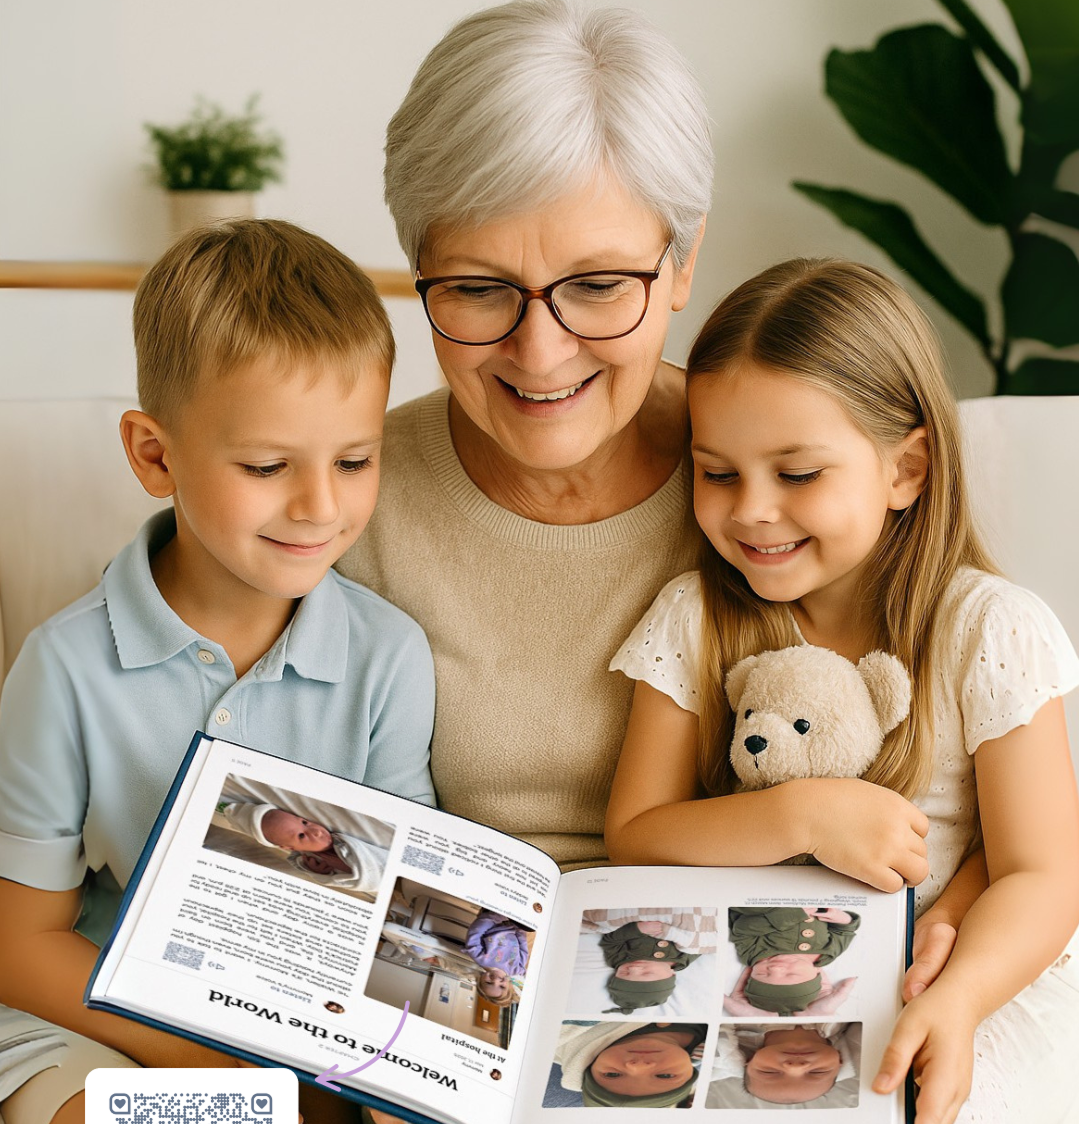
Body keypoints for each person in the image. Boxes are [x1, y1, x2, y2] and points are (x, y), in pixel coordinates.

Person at [605, 259, 1079, 1124]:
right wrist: (800, 817)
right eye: (716, 473)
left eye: (795, 475)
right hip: (759, 989)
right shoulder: (694, 616)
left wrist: (960, 997)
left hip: (962, 982)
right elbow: (635, 832)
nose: (749, 511)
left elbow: (1043, 872)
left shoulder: (987, 630)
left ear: (906, 470)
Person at [0, 219, 436, 1124]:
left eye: (354, 461)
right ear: (155, 455)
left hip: (312, 1038)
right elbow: (21, 944)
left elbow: (402, 909)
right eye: (269, 466)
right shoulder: (64, 666)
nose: (320, 505)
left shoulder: (387, 656)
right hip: (98, 1022)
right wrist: (227, 1073)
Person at [218, 802, 391, 893]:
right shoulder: (305, 860)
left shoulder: (342, 844)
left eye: (305, 822)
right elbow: (341, 879)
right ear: (288, 847)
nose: (315, 832)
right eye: (301, 836)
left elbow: (367, 861)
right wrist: (319, 872)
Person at [725, 906, 859, 1016]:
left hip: (761, 904)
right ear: (816, 972)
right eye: (791, 975)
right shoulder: (826, 955)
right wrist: (843, 919)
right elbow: (845, 931)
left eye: (763, 975)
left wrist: (789, 916)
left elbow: (741, 928)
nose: (776, 969)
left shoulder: (752, 953)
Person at [548, 1021, 707, 1108]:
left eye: (613, 1075)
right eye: (664, 1076)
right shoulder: (712, 1045)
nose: (637, 1066)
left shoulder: (566, 1032)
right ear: (691, 1074)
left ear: (591, 1065)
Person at [707, 1024, 860, 1109]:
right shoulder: (840, 1028)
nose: (795, 1067)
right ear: (840, 1060)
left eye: (770, 1071)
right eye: (816, 1072)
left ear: (751, 1058)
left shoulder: (743, 1030)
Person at [600, 920, 698, 1014]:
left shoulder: (617, 958)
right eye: (646, 973)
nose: (634, 968)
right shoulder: (682, 960)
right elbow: (703, 945)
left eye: (624, 973)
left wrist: (638, 929)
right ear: (671, 974)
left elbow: (610, 940)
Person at [463, 910, 529, 1007]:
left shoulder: (479, 957)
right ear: (509, 986)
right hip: (516, 924)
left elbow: (476, 931)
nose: (496, 980)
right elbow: (523, 948)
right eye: (502, 986)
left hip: (494, 916)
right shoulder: (516, 969)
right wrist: (521, 929)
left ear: (480, 979)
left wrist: (498, 916)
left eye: (488, 982)